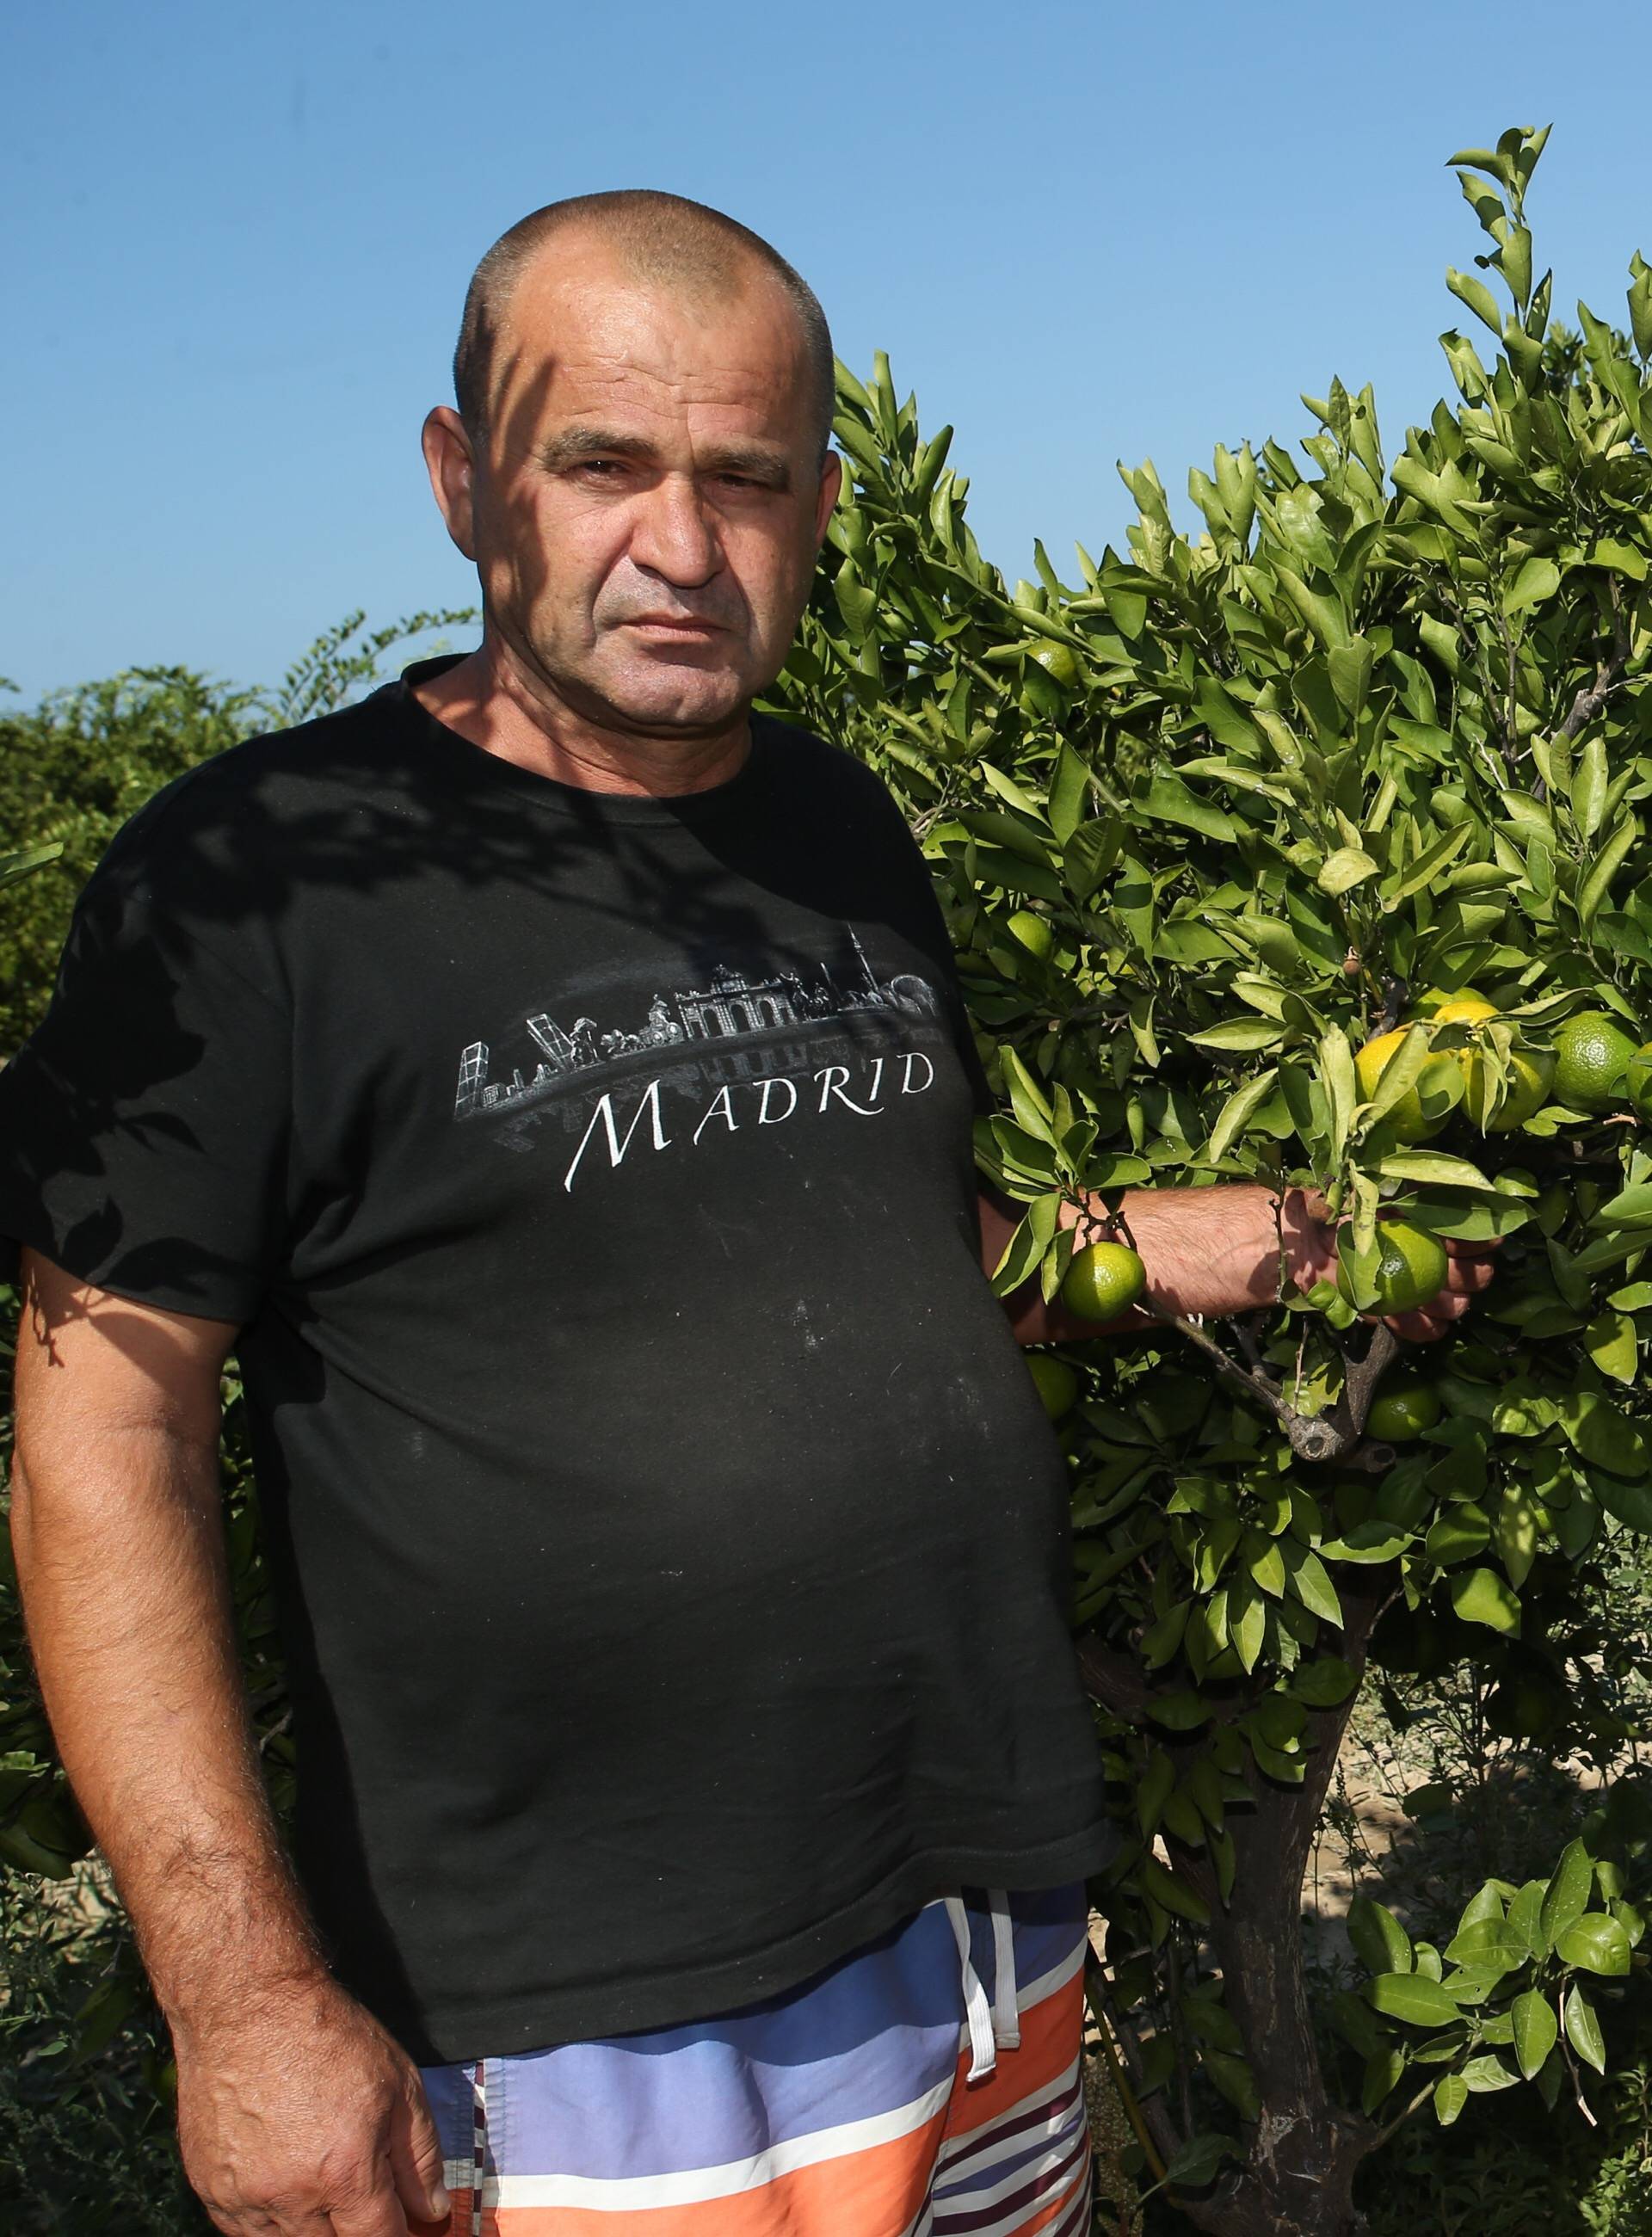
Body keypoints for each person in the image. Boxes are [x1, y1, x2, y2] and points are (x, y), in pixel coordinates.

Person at [0, 192, 1490, 2237]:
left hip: (976, 1918)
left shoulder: (833, 818)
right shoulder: (243, 887)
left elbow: (864, 1241)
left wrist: (1188, 1241)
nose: (681, 547)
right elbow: (106, 1427)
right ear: (464, 483)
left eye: (746, 479)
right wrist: (239, 1999)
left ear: (821, 502)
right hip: (584, 2018)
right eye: (601, 465)